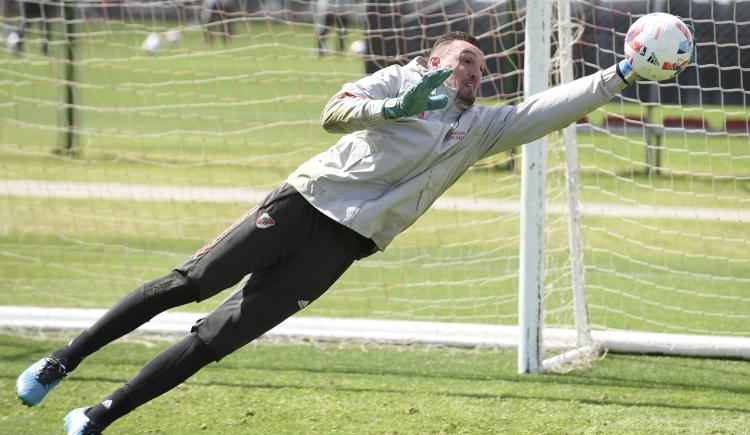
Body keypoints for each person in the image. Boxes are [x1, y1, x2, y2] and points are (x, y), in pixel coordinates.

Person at [17, 31, 646, 434]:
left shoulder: (481, 127)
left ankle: (102, 415)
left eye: (481, 69)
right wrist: (392, 108)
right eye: (464, 62)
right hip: (302, 203)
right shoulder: (400, 79)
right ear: (433, 62)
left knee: (220, 337)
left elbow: (548, 108)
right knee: (193, 283)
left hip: (342, 246)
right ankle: (60, 361)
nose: (474, 73)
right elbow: (333, 114)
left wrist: (623, 72)